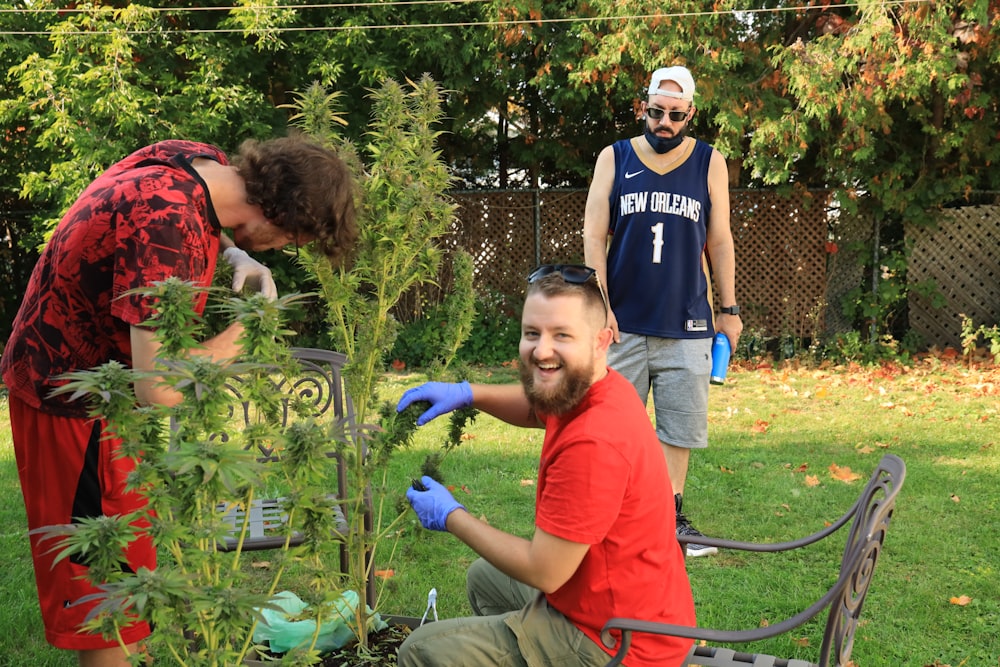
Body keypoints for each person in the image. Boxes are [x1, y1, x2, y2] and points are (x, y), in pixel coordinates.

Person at [1, 135, 357, 667]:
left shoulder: (191, 161)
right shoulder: (169, 227)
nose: (281, 249)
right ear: (278, 213)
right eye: (291, 239)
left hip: (93, 391)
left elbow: (190, 226)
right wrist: (253, 324)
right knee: (110, 589)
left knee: (133, 568)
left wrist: (237, 253)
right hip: (76, 409)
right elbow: (161, 386)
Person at [394, 264, 695, 667]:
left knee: (420, 651)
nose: (541, 350)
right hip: (635, 611)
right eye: (532, 333)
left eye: (561, 336)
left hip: (618, 647)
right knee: (484, 580)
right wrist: (468, 394)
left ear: (602, 341)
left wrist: (451, 516)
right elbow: (539, 411)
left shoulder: (594, 441)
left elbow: (545, 571)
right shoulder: (599, 386)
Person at [583, 65, 743, 557]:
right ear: (643, 108)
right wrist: (600, 307)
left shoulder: (710, 162)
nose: (665, 123)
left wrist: (730, 310)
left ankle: (671, 518)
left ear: (690, 113)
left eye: (676, 115)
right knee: (612, 429)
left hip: (689, 323)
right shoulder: (615, 157)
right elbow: (593, 234)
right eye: (656, 112)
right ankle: (610, 519)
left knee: (678, 430)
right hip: (622, 323)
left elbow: (719, 240)